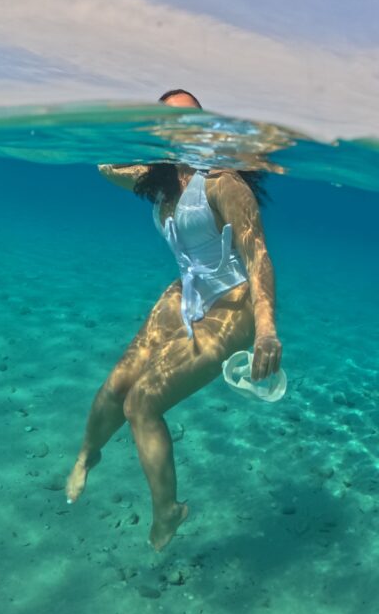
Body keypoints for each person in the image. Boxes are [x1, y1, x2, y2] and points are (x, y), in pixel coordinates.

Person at [65, 88, 283, 550]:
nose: (181, 132)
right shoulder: (161, 179)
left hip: (232, 304)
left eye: (190, 122)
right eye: (168, 122)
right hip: (185, 292)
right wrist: (142, 143)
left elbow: (258, 258)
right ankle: (88, 454)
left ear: (208, 128)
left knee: (142, 402)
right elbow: (105, 169)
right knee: (116, 385)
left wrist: (266, 330)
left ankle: (168, 511)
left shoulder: (223, 183)